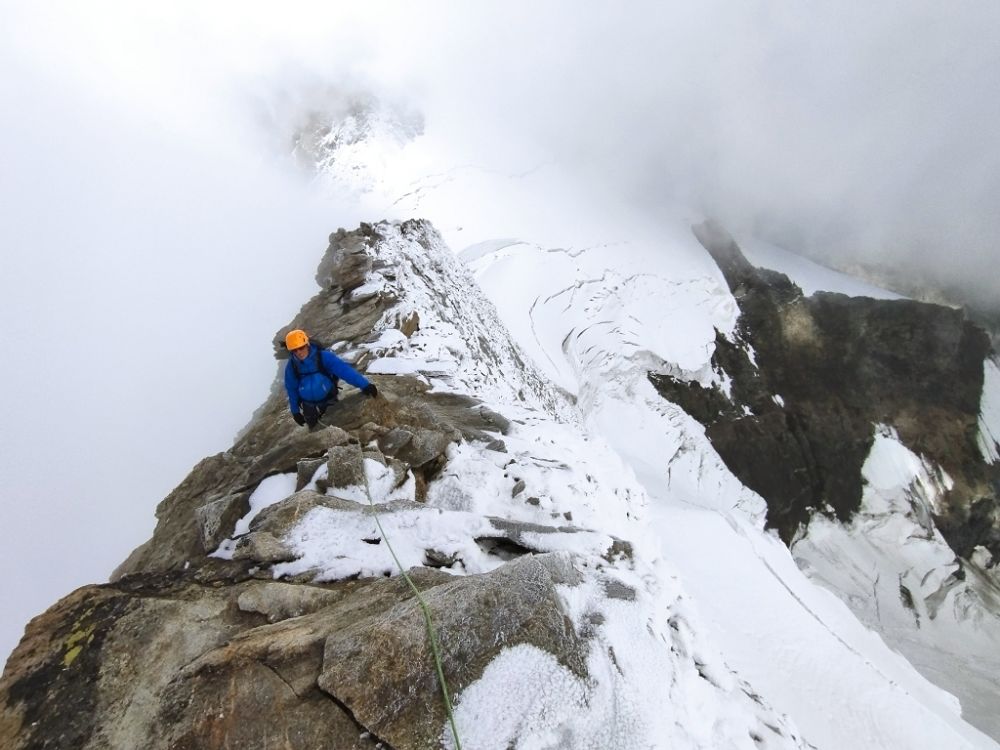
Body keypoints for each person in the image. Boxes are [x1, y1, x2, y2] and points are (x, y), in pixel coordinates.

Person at [283, 329, 377, 427]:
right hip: (307, 404)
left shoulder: (324, 357)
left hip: (328, 398)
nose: (298, 352)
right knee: (314, 429)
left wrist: (365, 385)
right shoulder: (292, 366)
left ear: (307, 344)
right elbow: (291, 389)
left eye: (301, 347)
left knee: (336, 424)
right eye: (294, 350)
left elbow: (345, 371)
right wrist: (295, 412)